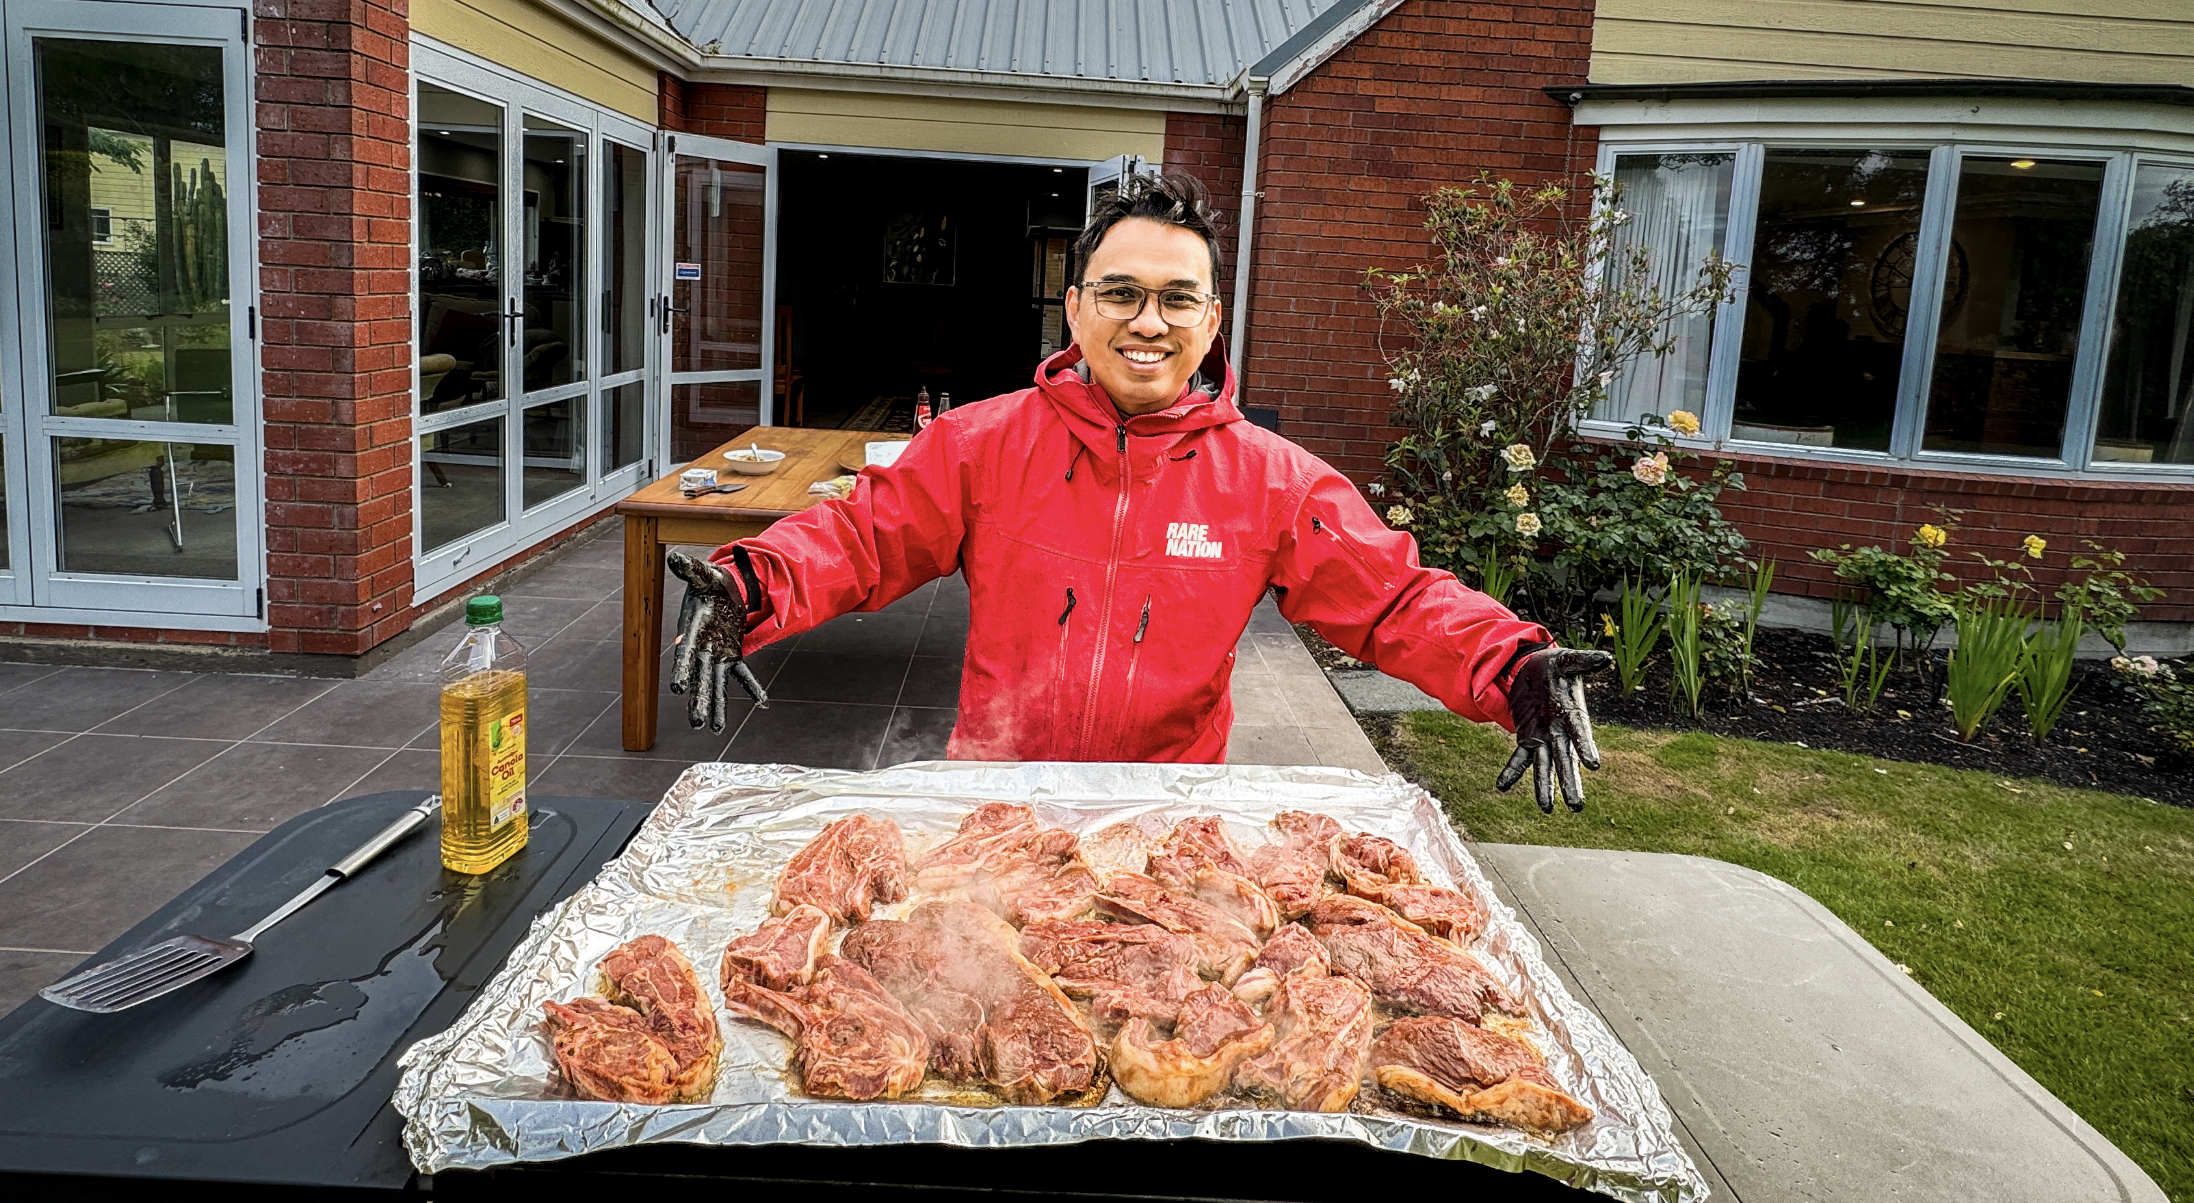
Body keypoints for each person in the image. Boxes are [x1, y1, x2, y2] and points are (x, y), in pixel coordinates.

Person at [667, 174, 1610, 811]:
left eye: (1176, 297)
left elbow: (1394, 599)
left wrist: (1509, 664)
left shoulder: (1274, 480)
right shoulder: (979, 444)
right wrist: (751, 584)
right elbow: (864, 536)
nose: (1146, 321)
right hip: (996, 801)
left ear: (1211, 320)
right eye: (1118, 293)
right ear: (1075, 309)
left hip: (1164, 816)